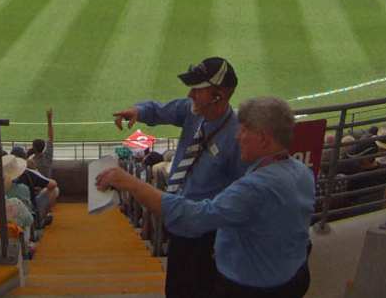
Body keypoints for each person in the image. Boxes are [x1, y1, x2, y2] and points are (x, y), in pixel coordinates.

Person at [98, 97, 313, 297]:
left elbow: (194, 217)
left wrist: (129, 182)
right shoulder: (301, 171)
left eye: (245, 130)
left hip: (251, 289)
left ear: (264, 140)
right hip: (291, 277)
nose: (238, 136)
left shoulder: (255, 188)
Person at [111, 57, 246, 298]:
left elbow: (240, 195)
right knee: (175, 289)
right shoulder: (192, 112)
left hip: (206, 235)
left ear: (220, 94)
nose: (190, 94)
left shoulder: (238, 138)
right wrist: (138, 111)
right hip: (179, 226)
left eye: (198, 89)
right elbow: (161, 110)